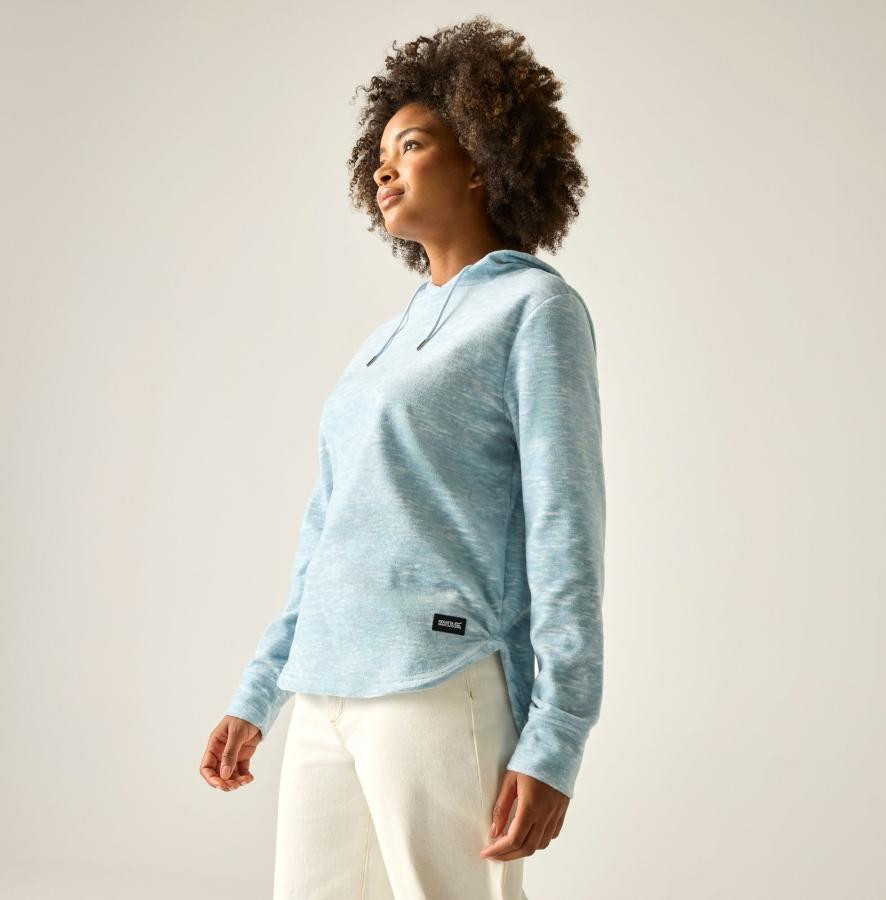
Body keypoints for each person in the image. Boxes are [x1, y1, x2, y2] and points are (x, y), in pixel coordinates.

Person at [199, 15, 606, 899]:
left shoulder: (535, 311)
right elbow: (326, 532)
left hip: (439, 681)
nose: (384, 169)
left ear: (481, 160)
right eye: (379, 155)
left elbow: (565, 526)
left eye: (412, 145)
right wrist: (258, 692)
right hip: (323, 692)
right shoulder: (378, 347)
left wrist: (557, 735)